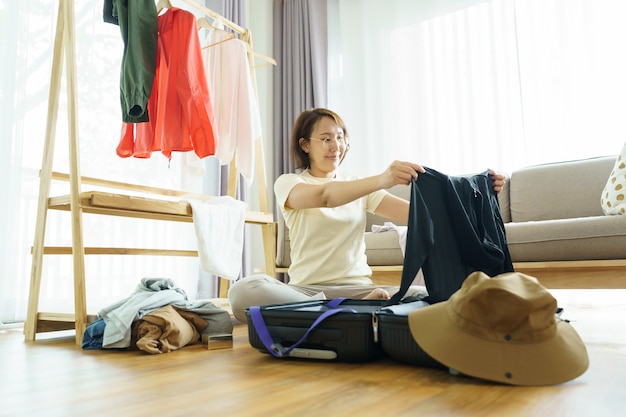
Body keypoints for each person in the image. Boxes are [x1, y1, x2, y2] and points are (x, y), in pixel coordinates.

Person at [228, 108, 506, 323]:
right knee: (243, 291)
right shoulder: (289, 183)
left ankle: (348, 311)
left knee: (435, 298)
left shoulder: (357, 185)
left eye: (340, 138)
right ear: (305, 145)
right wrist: (382, 179)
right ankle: (346, 311)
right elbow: (324, 196)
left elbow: (421, 216)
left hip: (361, 289)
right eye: (325, 139)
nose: (335, 146)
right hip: (306, 292)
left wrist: (477, 193)